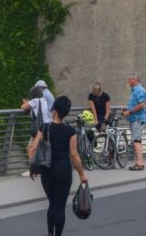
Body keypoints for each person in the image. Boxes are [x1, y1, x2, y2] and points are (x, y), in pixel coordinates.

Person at [27, 96, 89, 236]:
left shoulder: (44, 127)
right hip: (63, 171)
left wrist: (32, 167)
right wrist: (81, 174)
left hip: (47, 171)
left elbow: (33, 148)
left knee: (52, 204)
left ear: (54, 110)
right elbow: (74, 154)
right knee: (60, 206)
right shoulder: (70, 131)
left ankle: (49, 233)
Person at [122, 74, 146, 171]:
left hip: (138, 119)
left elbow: (141, 105)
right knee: (137, 141)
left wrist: (129, 111)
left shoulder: (139, 90)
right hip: (134, 119)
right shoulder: (135, 91)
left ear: (135, 80)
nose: (128, 81)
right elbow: (137, 105)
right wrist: (127, 109)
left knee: (136, 141)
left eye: (130, 79)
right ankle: (139, 162)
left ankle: (140, 163)